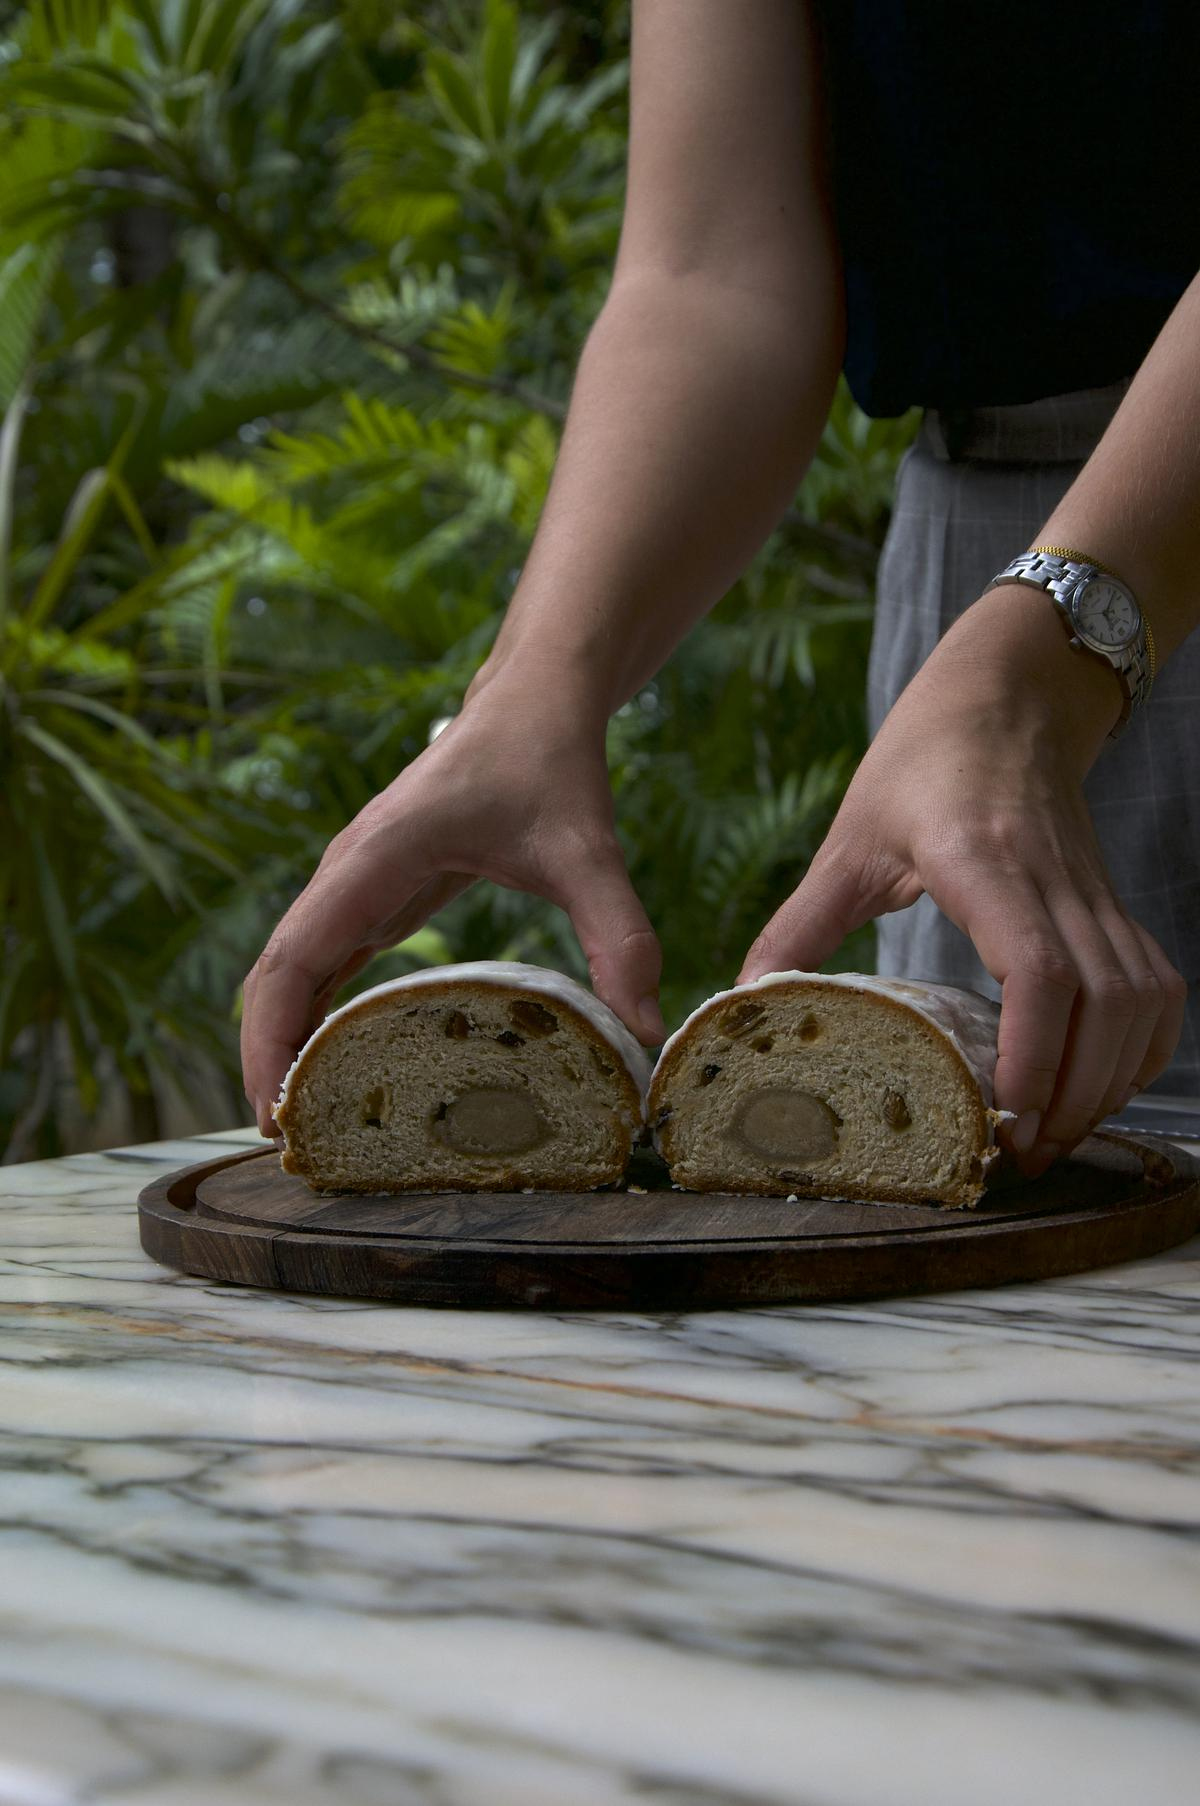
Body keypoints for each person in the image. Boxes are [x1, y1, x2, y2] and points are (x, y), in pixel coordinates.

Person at [241, 0, 1198, 1179]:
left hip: (1047, 613)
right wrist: (533, 688)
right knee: (999, 1232)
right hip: (985, 563)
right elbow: (713, 268)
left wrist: (1048, 657)